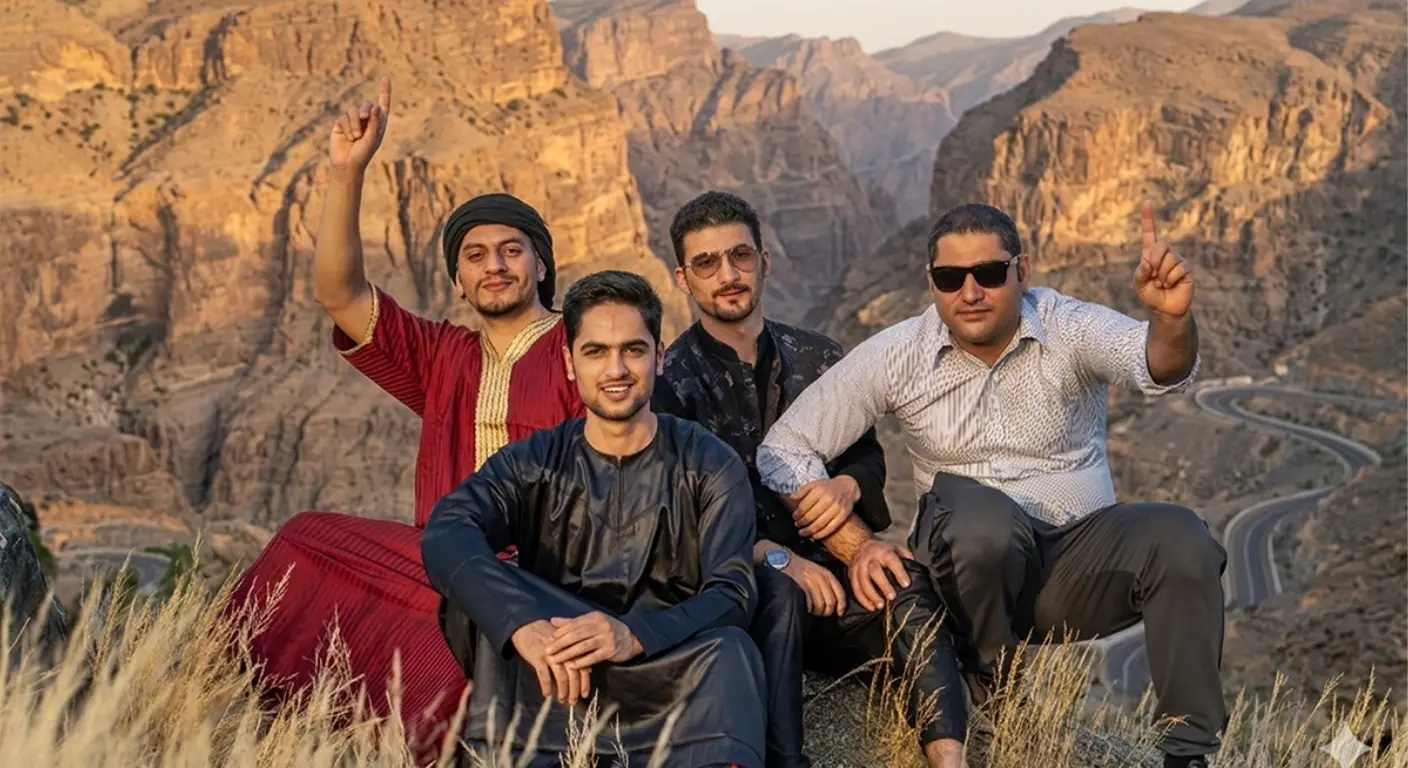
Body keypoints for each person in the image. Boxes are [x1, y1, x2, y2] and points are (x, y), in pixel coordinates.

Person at [756, 201, 1227, 768]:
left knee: (1183, 536)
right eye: (952, 278)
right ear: (932, 283)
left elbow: (1156, 366)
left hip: (1069, 566)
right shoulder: (898, 353)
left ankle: (1188, 752)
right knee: (985, 518)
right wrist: (855, 545)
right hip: (965, 571)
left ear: (1022, 271)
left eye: (990, 273)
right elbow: (783, 451)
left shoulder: (1066, 325)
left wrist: (1171, 320)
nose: (971, 291)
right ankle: (989, 685)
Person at [225, 77, 584, 756]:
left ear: (542, 264)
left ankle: (417, 736)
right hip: (439, 554)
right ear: (458, 280)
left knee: (444, 625)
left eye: (511, 249)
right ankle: (261, 708)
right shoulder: (442, 354)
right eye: (474, 256)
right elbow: (340, 292)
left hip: (538, 570)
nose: (494, 266)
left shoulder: (580, 351)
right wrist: (346, 172)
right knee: (305, 540)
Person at [653, 191, 967, 768]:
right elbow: (679, 517)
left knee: (908, 583)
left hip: (835, 579)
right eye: (707, 263)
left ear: (764, 262)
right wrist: (778, 558)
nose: (728, 275)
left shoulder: (818, 358)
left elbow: (869, 460)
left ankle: (950, 759)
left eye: (740, 256)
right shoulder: (669, 386)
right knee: (780, 596)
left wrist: (846, 489)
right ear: (683, 278)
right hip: (744, 594)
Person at [421, 270, 766, 768]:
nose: (616, 369)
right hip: (559, 672)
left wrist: (633, 636)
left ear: (660, 356)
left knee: (731, 651)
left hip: (665, 669)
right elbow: (448, 531)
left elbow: (732, 594)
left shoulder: (709, 464)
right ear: (569, 363)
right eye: (596, 352)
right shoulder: (534, 461)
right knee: (477, 602)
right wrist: (522, 625)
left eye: (633, 350)